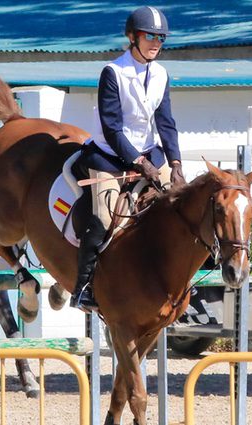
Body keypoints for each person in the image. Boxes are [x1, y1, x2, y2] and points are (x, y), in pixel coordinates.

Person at [69, 5, 186, 312]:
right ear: (133, 37)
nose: (156, 43)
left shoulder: (161, 74)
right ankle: (82, 288)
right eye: (150, 36)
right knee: (104, 216)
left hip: (150, 153)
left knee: (185, 205)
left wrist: (175, 164)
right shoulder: (113, 72)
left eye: (161, 37)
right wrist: (139, 162)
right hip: (110, 155)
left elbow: (166, 122)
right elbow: (111, 127)